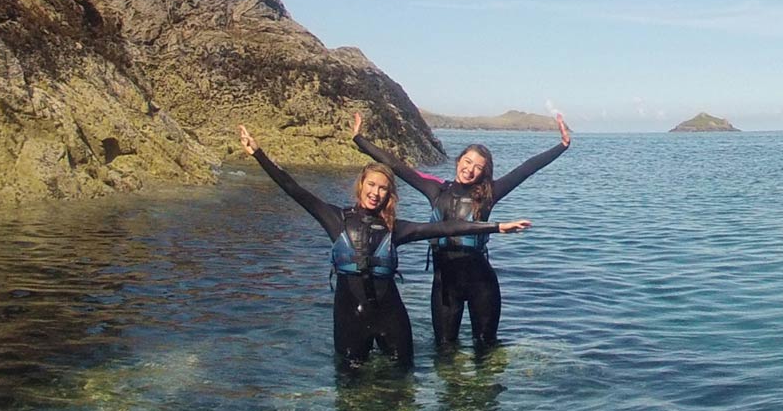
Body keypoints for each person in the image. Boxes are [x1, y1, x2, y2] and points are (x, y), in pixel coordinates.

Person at [239, 124, 532, 368]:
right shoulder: (336, 219)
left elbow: (444, 227)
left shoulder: (396, 228)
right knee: (357, 382)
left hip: (402, 313)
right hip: (358, 313)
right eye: (371, 186)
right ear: (361, 186)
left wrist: (496, 226)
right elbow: (295, 189)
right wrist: (259, 154)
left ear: (389, 195)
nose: (375, 193)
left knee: (415, 377)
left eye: (382, 188)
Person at [351, 111, 569, 348]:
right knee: (444, 350)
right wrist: (359, 139)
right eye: (467, 161)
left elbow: (526, 169)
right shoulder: (435, 191)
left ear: (484, 173)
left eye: (478, 167)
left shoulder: (488, 195)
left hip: (482, 284)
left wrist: (562, 146)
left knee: (485, 349)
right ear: (458, 161)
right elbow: (396, 166)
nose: (470, 169)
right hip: (445, 287)